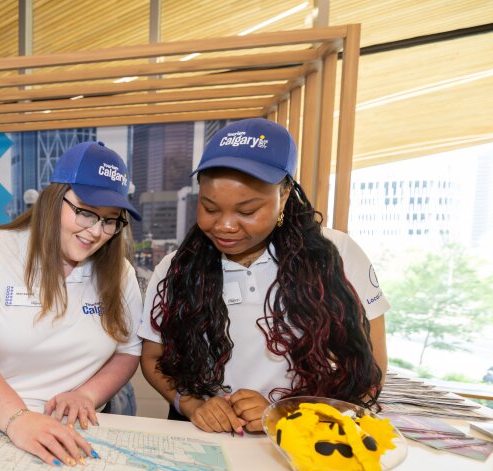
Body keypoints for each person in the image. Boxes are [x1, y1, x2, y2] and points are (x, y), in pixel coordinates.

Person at [139, 118, 388, 435]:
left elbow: (371, 372)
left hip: (302, 442)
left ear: (283, 196)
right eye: (210, 207)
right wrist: (193, 405)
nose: (225, 226)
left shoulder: (337, 255)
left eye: (246, 211)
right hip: (205, 439)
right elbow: (152, 358)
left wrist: (287, 414)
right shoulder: (177, 267)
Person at [0, 141, 143, 466]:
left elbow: (128, 351)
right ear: (53, 198)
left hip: (78, 427)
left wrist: (87, 394)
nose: (96, 232)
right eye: (86, 212)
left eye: (110, 221)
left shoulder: (120, 272)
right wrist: (17, 418)